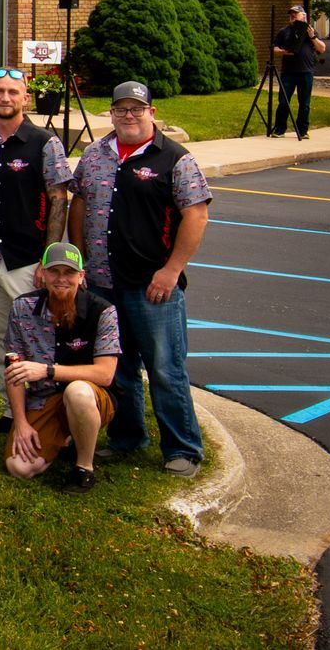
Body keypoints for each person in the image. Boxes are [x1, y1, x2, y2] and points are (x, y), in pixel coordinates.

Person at [68, 81, 210, 477]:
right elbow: (79, 203)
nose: (128, 115)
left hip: (153, 286)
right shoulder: (95, 154)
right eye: (121, 109)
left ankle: (182, 448)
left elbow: (197, 214)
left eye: (137, 108)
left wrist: (172, 270)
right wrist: (79, 258)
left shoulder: (175, 159)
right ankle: (128, 437)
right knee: (119, 366)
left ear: (152, 112)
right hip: (102, 283)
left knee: (165, 369)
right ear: (111, 113)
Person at [0, 66, 71, 429]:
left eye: (13, 92)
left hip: (25, 261)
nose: (5, 97)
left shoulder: (44, 143)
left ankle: (46, 415)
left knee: (35, 339)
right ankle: (13, 411)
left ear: (25, 97)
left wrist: (47, 260)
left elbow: (59, 199)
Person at [2, 242, 120, 492]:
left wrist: (48, 370)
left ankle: (84, 467)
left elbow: (105, 374)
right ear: (42, 273)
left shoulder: (103, 311)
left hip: (90, 397)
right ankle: (64, 436)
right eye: (54, 271)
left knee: (77, 392)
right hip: (43, 398)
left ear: (81, 276)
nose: (61, 279)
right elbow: (13, 370)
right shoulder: (22, 307)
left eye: (69, 272)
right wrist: (20, 422)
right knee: (18, 468)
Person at [273, 4, 328, 141]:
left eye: (295, 13)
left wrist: (313, 37)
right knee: (284, 102)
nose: (292, 16)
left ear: (303, 16)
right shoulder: (284, 31)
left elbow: (322, 49)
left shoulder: (310, 31)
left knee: (304, 103)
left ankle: (302, 131)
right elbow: (274, 48)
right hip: (288, 72)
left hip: (305, 72)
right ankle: (279, 129)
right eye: (291, 14)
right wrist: (283, 52)